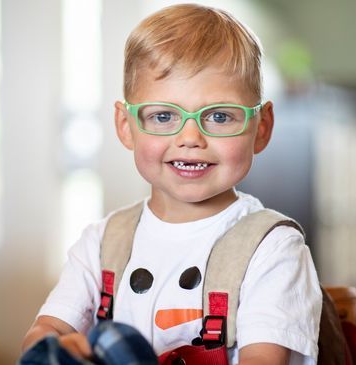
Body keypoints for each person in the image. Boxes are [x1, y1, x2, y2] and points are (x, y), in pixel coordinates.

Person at [21, 4, 322, 365]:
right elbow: (44, 333)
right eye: (163, 116)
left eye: (220, 116)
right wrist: (56, 347)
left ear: (262, 127)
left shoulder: (272, 248)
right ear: (124, 125)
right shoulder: (102, 243)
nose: (190, 137)